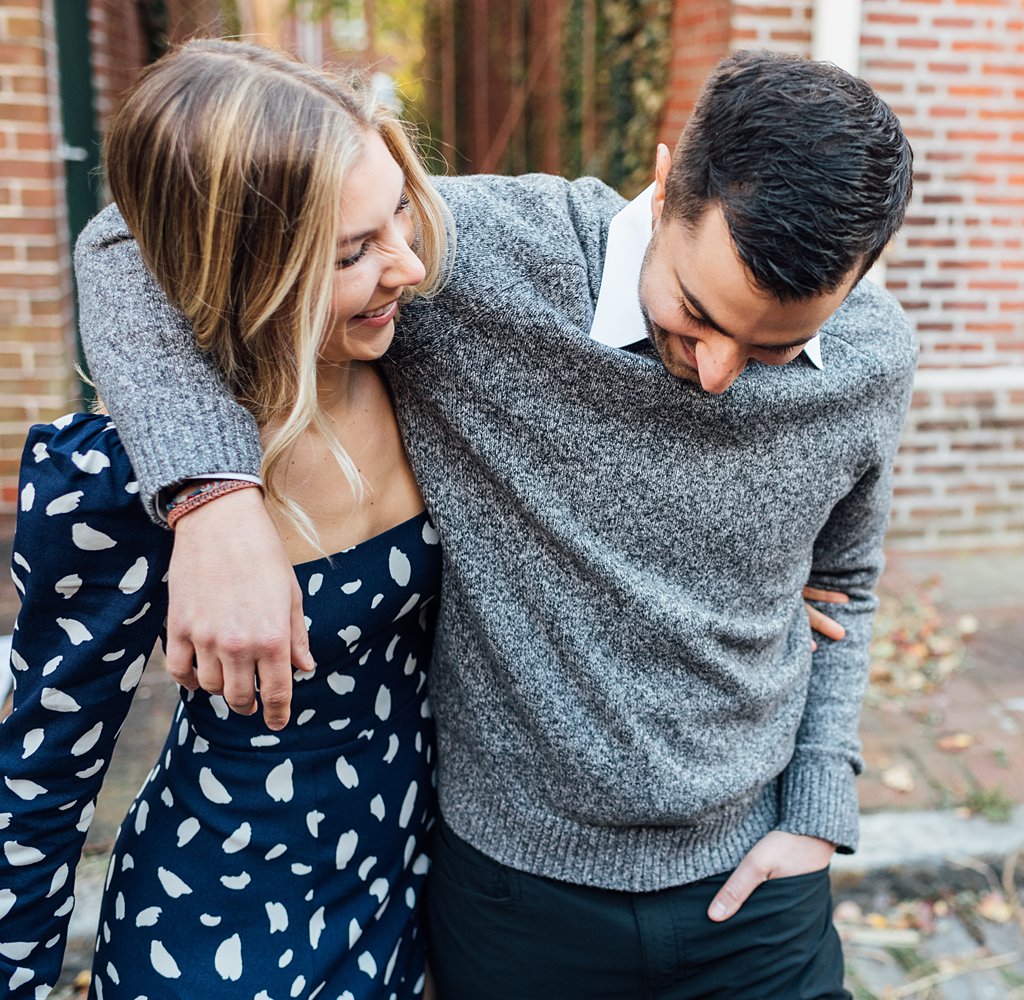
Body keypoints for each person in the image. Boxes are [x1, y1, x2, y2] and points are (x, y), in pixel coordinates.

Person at [73, 48, 917, 998]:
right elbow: (126, 243)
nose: (720, 373)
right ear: (669, 176)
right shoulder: (462, 255)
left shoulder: (874, 357)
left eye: (776, 346)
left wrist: (817, 807)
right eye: (696, 313)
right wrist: (211, 500)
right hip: (510, 895)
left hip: (758, 887)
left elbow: (846, 587)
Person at [0, 40, 451, 997]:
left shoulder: (421, 367)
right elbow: (40, 780)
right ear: (245, 266)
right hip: (221, 933)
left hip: (413, 901)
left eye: (400, 213)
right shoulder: (122, 477)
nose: (407, 265)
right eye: (352, 252)